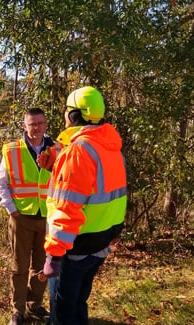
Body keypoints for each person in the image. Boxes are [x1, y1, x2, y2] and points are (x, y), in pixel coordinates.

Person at [40, 86, 127, 325]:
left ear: (74, 115)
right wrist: (56, 169)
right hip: (100, 243)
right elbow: (99, 191)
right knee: (79, 302)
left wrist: (53, 254)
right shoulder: (110, 148)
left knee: (63, 312)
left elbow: (67, 207)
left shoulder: (78, 152)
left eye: (67, 110)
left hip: (74, 247)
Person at [0, 107, 59, 325]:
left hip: (48, 218)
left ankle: (35, 305)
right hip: (20, 217)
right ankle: (17, 309)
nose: (36, 128)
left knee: (43, 266)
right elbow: (1, 184)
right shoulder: (12, 150)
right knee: (19, 267)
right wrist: (12, 209)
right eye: (32, 124)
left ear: (46, 124)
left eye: (40, 123)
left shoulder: (58, 149)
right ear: (24, 126)